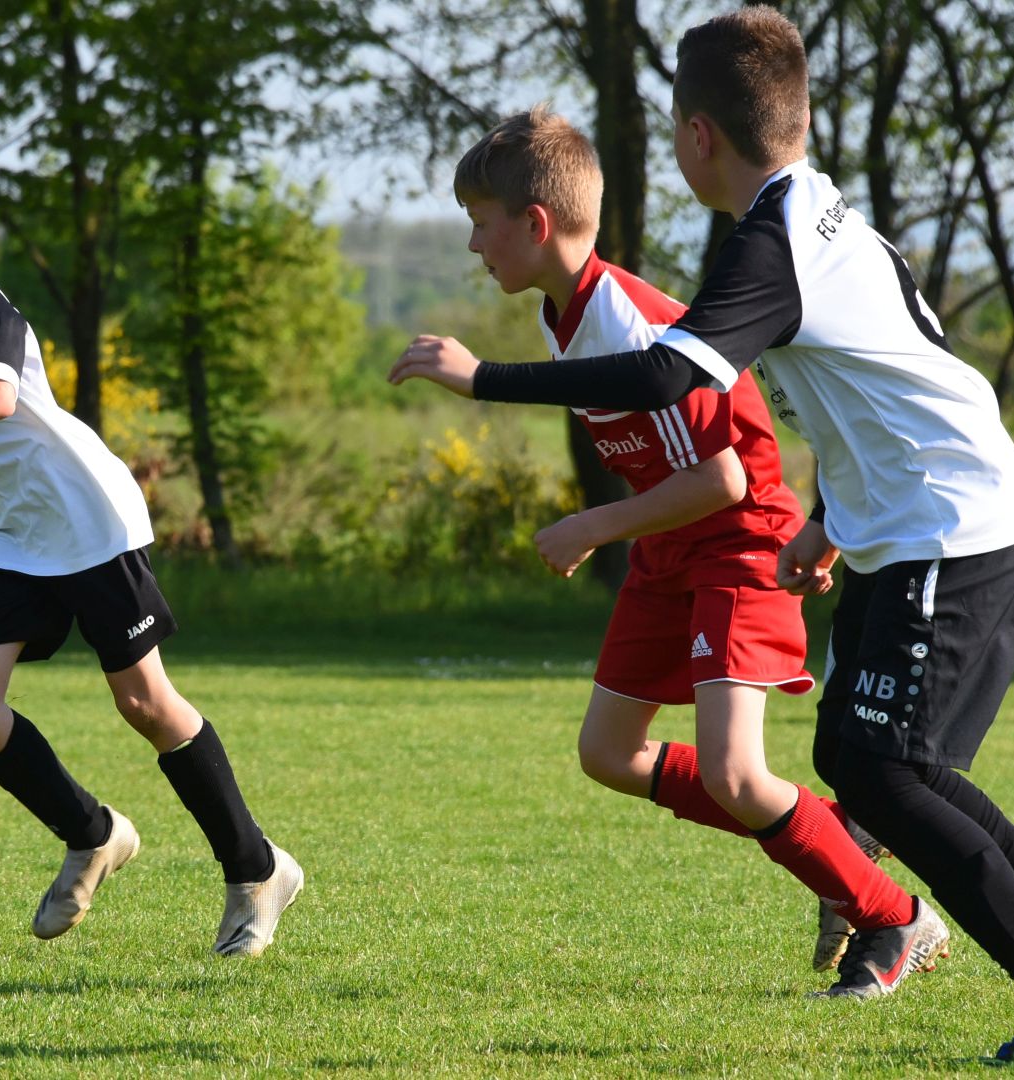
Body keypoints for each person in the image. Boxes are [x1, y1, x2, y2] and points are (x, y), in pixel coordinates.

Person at [391, 8, 1014, 1065]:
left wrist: (485, 380)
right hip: (908, 520)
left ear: (698, 136)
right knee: (867, 759)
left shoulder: (771, 244)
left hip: (949, 521)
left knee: (882, 769)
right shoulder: (822, 213)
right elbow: (870, 381)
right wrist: (828, 516)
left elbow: (665, 375)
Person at [395, 105, 942, 996]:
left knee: (734, 771)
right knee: (609, 754)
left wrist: (590, 526)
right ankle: (836, 831)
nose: (471, 243)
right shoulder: (557, 315)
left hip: (740, 545)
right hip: (669, 555)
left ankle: (893, 916)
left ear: (534, 225)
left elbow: (724, 479)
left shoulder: (630, 322)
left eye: (478, 222)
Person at [0, 151, 302, 957]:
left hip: (85, 512)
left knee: (144, 705)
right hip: (16, 533)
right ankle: (94, 833)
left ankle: (256, 868)